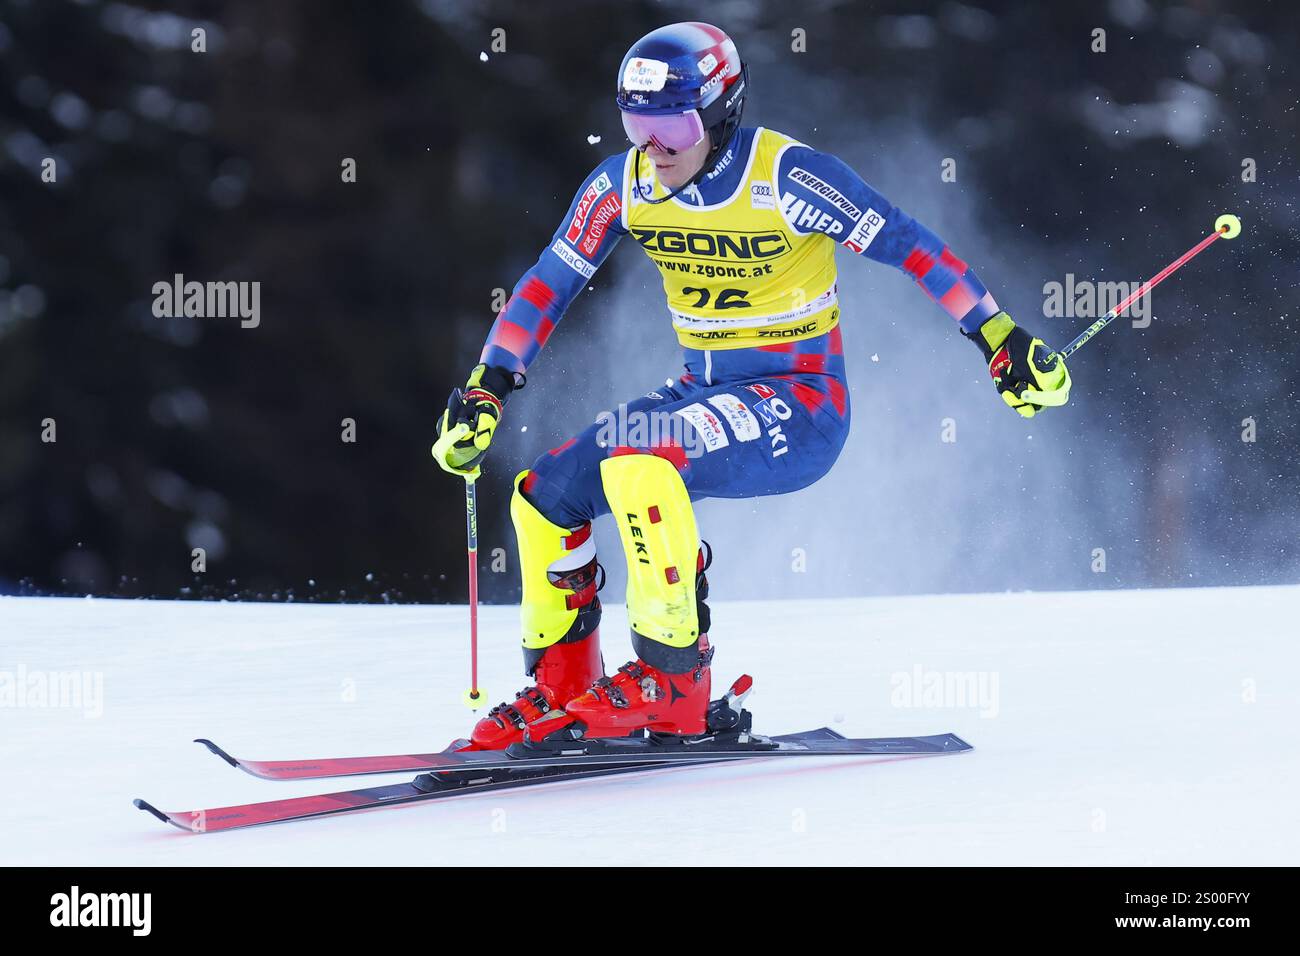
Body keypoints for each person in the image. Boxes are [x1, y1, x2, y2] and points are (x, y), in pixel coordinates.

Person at [432, 22, 1070, 749]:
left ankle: (675, 684)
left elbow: (911, 246)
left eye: (672, 123)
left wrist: (999, 338)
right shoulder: (623, 186)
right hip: (699, 396)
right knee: (543, 497)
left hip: (800, 406)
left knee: (643, 463)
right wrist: (486, 387)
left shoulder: (787, 178)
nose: (654, 145)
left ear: (720, 111)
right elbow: (549, 284)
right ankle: (562, 686)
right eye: (637, 122)